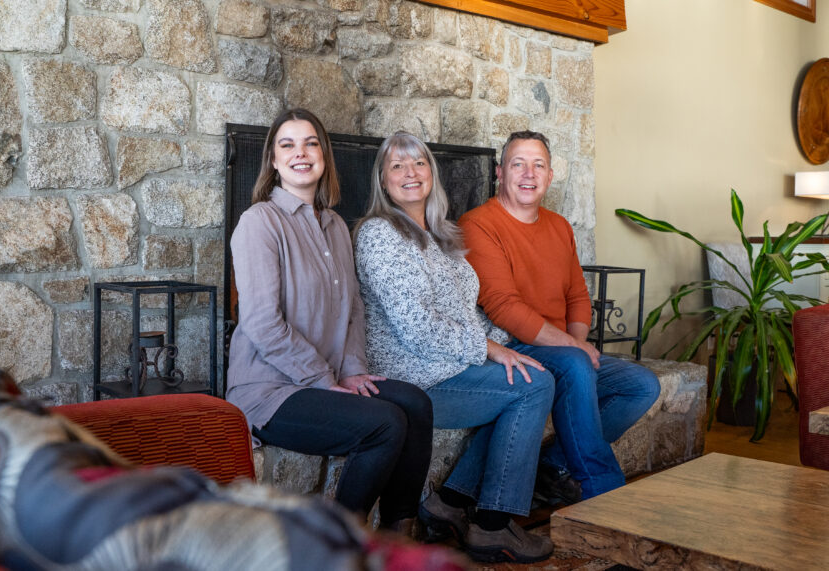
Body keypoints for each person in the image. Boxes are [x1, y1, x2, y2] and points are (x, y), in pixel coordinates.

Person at [226, 109, 433, 533]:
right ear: (273, 160)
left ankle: (398, 534)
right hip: (270, 391)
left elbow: (354, 307)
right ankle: (339, 542)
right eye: (288, 145)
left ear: (324, 156)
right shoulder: (259, 223)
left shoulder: (336, 225)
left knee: (415, 403)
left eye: (310, 143)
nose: (300, 153)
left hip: (329, 378)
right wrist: (324, 378)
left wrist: (353, 371)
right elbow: (264, 323)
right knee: (384, 423)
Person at [354, 131, 554, 564]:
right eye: (397, 166)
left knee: (533, 372)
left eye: (419, 163)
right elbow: (417, 327)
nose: (411, 173)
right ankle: (493, 526)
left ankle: (449, 499)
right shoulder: (379, 234)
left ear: (432, 173)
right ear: (383, 181)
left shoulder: (440, 236)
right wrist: (491, 350)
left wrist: (510, 343)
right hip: (416, 375)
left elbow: (464, 314)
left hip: (453, 363)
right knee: (533, 387)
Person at [458, 130, 661, 502]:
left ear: (550, 176)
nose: (528, 174)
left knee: (642, 386)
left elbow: (578, 296)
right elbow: (503, 307)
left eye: (538, 165)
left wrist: (578, 344)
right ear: (499, 173)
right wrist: (572, 349)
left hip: (560, 348)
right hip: (514, 345)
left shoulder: (559, 226)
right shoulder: (478, 224)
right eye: (518, 164)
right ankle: (604, 492)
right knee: (574, 364)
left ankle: (548, 465)